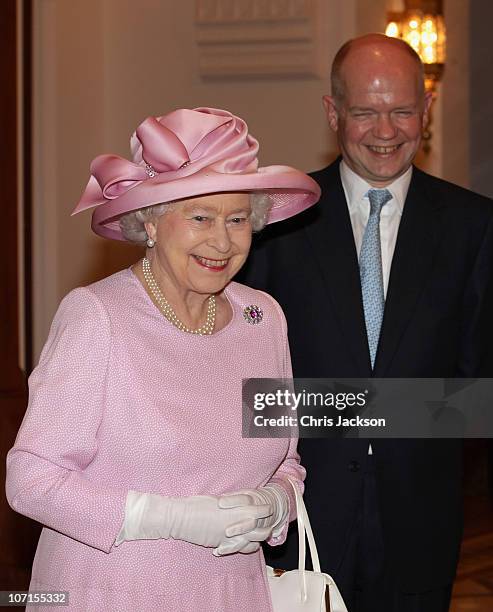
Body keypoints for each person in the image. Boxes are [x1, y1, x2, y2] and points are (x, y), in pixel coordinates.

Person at [5, 106, 321, 611]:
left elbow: (285, 458)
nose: (222, 241)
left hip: (231, 594)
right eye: (200, 217)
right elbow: (31, 480)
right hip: (111, 592)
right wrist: (167, 518)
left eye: (238, 219)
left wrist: (275, 502)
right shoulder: (98, 317)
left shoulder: (264, 319)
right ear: (150, 224)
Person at [239, 34, 493, 612]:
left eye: (403, 111)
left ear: (426, 111)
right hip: (296, 519)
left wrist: (332, 404)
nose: (386, 131)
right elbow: (251, 389)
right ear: (333, 113)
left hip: (420, 525)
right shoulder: (275, 220)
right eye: (366, 112)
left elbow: (478, 395)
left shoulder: (473, 227)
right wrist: (392, 405)